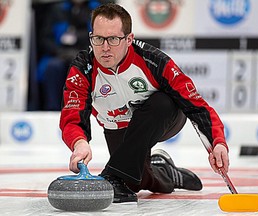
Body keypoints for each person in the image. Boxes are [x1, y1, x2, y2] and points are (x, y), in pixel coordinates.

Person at [59, 3, 229, 203]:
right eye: (98, 39)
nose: (104, 48)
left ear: (129, 39)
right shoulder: (83, 67)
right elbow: (72, 115)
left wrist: (217, 143)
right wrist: (79, 144)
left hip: (163, 118)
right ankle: (165, 171)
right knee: (133, 180)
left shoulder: (152, 60)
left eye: (113, 39)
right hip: (117, 126)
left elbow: (196, 104)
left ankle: (113, 174)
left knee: (162, 102)